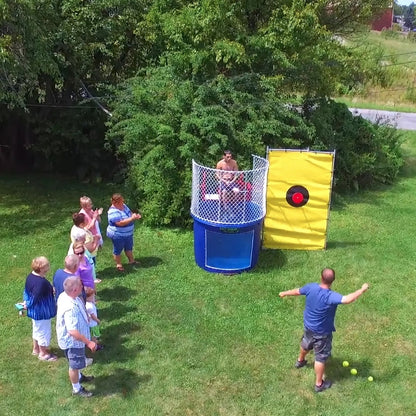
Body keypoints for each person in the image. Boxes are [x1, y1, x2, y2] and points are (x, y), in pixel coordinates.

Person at [279, 268, 369, 393]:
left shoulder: (311, 288)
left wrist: (285, 292)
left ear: (321, 277)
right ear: (333, 281)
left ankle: (300, 361)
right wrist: (362, 289)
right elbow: (347, 299)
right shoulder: (330, 296)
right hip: (322, 334)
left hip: (308, 327)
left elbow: (297, 291)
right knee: (320, 357)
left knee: (305, 343)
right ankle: (319, 384)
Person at [56, 276, 97, 398]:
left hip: (74, 340)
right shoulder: (70, 309)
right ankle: (76, 388)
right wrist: (88, 342)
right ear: (74, 290)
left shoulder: (64, 295)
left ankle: (79, 376)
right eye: (80, 285)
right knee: (74, 366)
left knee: (76, 363)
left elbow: (79, 304)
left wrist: (86, 316)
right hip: (73, 342)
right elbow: (72, 331)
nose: (82, 287)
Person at [23, 256, 57, 361]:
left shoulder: (30, 276)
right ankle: (43, 354)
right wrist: (27, 304)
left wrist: (26, 302)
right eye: (47, 265)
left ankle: (36, 349)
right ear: (41, 268)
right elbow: (35, 297)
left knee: (36, 329)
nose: (48, 267)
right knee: (44, 331)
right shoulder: (41, 282)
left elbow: (26, 292)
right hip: (42, 312)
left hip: (34, 312)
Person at [106, 193, 141, 271]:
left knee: (129, 247)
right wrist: (131, 219)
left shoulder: (124, 206)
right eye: (121, 201)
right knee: (118, 249)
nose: (123, 202)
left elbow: (130, 213)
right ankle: (119, 264)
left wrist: (134, 215)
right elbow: (120, 223)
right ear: (115, 202)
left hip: (128, 234)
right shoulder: (113, 212)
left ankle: (132, 261)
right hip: (118, 234)